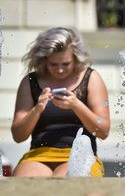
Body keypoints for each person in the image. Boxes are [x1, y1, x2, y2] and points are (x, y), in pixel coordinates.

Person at [11, 27, 111, 177]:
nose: (59, 70)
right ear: (44, 60)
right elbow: (18, 136)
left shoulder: (91, 78)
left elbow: (103, 130)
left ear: (76, 58)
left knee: (65, 185)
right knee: (23, 185)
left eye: (65, 64)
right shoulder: (30, 82)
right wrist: (37, 109)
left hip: (80, 155)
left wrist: (76, 105)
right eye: (53, 64)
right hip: (38, 156)